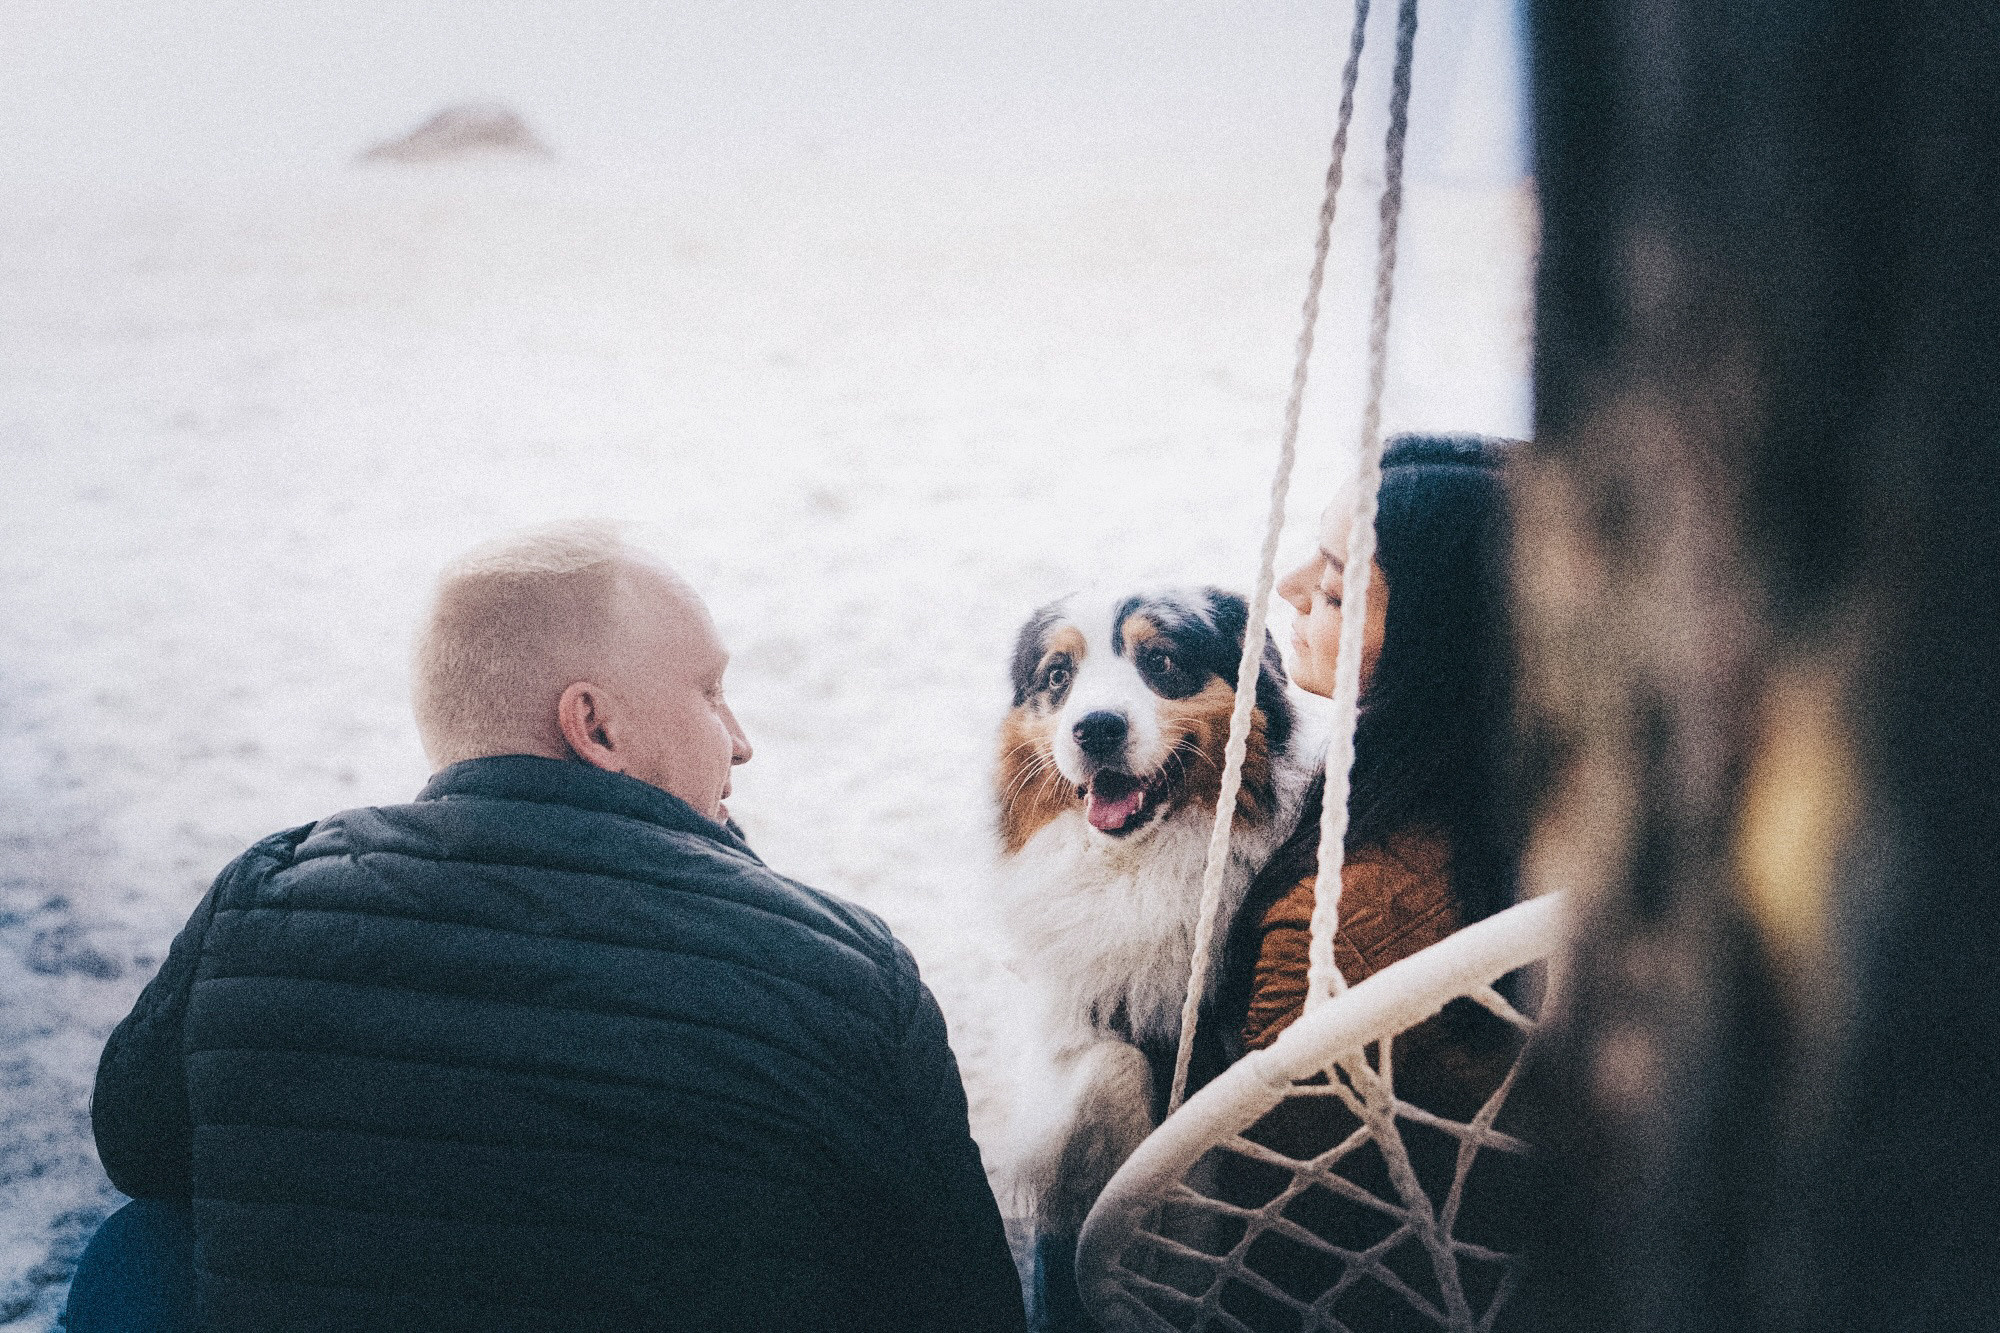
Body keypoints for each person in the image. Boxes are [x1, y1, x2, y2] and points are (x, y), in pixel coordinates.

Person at [74, 522, 1026, 1333]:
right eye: (709, 692)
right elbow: (968, 1302)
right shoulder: (844, 970)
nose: (739, 739)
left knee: (139, 1249)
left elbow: (138, 1147)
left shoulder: (267, 894)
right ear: (594, 727)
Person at [1210, 434, 1530, 1330]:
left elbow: (1269, 1222)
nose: (1287, 589)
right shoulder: (1572, 808)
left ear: (1438, 648)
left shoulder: (1329, 927)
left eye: (1339, 590)